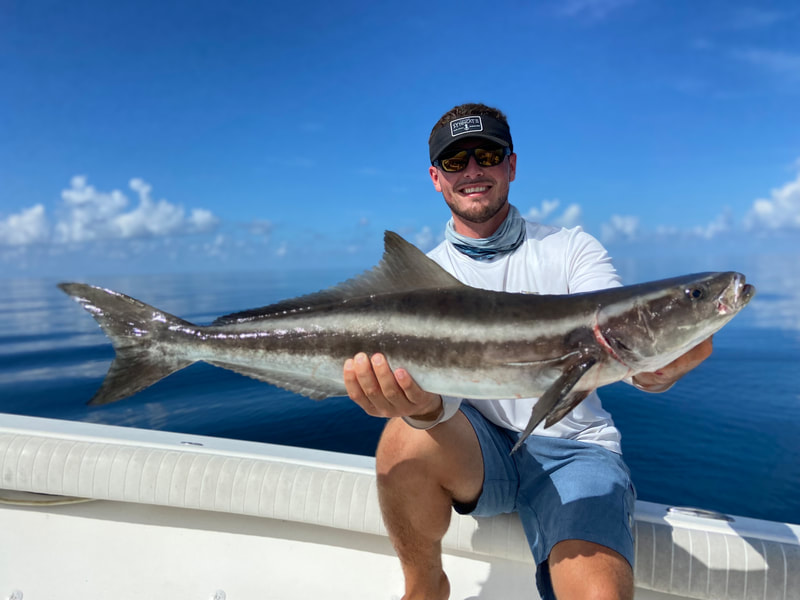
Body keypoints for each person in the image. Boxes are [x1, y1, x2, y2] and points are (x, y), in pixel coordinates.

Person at [342, 103, 712, 600]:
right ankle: (425, 586)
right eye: (456, 162)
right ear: (436, 177)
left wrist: (656, 371)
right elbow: (435, 406)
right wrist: (423, 409)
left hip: (576, 449)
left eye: (487, 154)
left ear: (511, 165)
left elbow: (628, 355)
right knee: (401, 436)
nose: (473, 170)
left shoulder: (572, 249)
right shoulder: (420, 282)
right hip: (476, 447)